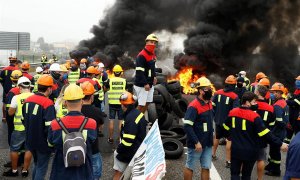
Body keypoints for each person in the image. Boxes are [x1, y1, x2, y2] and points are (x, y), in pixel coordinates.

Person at [223, 91, 288, 180]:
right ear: (247, 102)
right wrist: (280, 143)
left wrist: (228, 136)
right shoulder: (254, 116)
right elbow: (265, 133)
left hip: (236, 149)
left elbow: (225, 127)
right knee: (246, 175)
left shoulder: (232, 112)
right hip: (250, 151)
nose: (256, 104)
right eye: (254, 102)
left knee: (234, 174)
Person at [48, 84, 97, 180]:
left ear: (65, 103)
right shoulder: (91, 123)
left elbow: (50, 144)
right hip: (84, 171)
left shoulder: (55, 124)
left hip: (61, 170)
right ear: (82, 101)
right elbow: (92, 141)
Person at [22, 74, 56, 180]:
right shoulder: (48, 103)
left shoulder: (28, 100)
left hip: (29, 140)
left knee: (37, 164)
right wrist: (51, 145)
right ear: (49, 88)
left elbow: (23, 120)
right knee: (41, 168)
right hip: (43, 143)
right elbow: (50, 128)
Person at [183, 77, 214, 180]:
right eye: (207, 89)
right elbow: (187, 126)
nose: (210, 90)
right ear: (200, 91)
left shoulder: (209, 103)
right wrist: (196, 142)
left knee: (206, 167)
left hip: (208, 143)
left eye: (210, 88)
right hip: (196, 144)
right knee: (190, 166)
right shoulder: (193, 106)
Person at [113, 91, 147, 180]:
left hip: (129, 151)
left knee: (118, 173)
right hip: (138, 148)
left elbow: (128, 142)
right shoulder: (137, 113)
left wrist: (118, 150)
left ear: (123, 105)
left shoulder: (130, 118)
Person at [3, 77, 33, 177]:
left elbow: (10, 113)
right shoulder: (34, 96)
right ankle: (25, 170)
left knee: (14, 149)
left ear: (19, 87)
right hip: (31, 129)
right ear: (29, 86)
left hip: (19, 129)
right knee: (28, 149)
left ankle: (14, 171)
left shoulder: (16, 97)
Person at [212, 75, 239, 168]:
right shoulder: (235, 97)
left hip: (218, 121)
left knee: (217, 137)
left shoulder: (217, 93)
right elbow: (235, 111)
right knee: (229, 140)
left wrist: (216, 115)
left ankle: (213, 154)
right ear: (233, 85)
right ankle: (228, 161)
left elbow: (212, 105)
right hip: (229, 124)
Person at [80, 81, 104, 180]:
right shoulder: (97, 112)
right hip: (93, 149)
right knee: (95, 174)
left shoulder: (77, 111)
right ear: (92, 96)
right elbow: (100, 124)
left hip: (77, 148)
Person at [266, 82, 290, 176]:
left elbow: (279, 121)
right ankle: (271, 165)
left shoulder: (277, 105)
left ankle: (276, 171)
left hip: (277, 132)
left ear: (280, 93)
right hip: (281, 131)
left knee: (275, 151)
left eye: (274, 92)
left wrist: (271, 128)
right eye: (272, 92)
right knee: (273, 150)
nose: (272, 94)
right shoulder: (283, 102)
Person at [254, 85, 276, 180]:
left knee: (245, 158)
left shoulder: (252, 104)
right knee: (261, 158)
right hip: (263, 136)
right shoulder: (271, 108)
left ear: (258, 93)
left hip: (250, 135)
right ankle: (259, 178)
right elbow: (272, 124)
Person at [134, 33, 158, 113]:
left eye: (155, 43)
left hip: (150, 84)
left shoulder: (152, 55)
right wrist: (145, 83)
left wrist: (154, 77)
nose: (153, 44)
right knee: (141, 105)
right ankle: (134, 121)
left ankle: (140, 119)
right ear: (146, 42)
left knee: (147, 102)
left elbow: (152, 68)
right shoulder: (141, 55)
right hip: (142, 85)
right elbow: (139, 72)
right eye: (151, 42)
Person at [3, 70, 23, 168]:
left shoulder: (12, 92)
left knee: (13, 143)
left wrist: (8, 122)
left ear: (11, 79)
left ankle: (15, 163)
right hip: (25, 122)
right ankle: (22, 160)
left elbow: (9, 111)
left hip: (15, 122)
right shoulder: (28, 91)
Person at [105, 64, 127, 143]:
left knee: (111, 120)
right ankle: (119, 138)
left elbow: (105, 88)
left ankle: (110, 138)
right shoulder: (124, 81)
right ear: (120, 72)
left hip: (112, 104)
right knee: (121, 121)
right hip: (121, 103)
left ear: (114, 72)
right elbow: (126, 91)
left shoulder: (110, 80)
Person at [0, 57, 19, 121]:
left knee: (5, 103)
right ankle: (13, 116)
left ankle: (4, 117)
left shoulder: (4, 70)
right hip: (15, 90)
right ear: (16, 62)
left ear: (9, 62)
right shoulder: (17, 70)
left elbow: (1, 80)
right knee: (15, 102)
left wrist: (4, 86)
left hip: (6, 90)